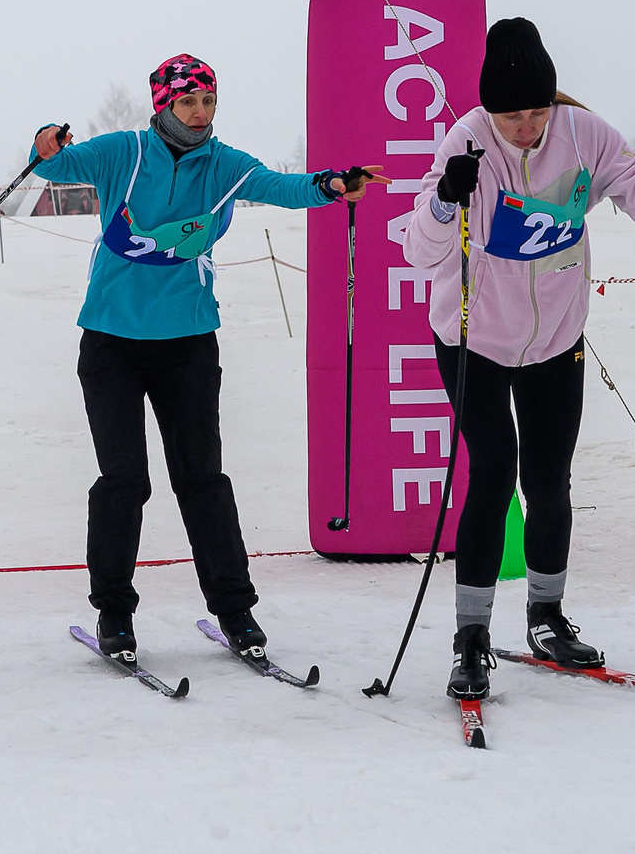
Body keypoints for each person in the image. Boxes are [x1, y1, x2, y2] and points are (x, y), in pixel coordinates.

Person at [28, 54, 381, 664]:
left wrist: (330, 184)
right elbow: (56, 166)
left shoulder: (225, 166)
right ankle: (114, 612)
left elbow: (283, 186)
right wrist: (45, 144)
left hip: (188, 344)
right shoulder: (124, 152)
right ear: (164, 103)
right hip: (111, 342)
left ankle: (234, 610)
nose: (200, 113)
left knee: (202, 479)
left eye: (208, 102)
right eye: (188, 102)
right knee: (124, 481)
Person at [400, 17, 635, 701]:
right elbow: (418, 252)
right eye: (511, 115)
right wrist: (447, 197)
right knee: (493, 474)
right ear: (488, 109)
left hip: (554, 340)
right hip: (472, 339)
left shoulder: (583, 135)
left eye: (537, 110)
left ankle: (546, 617)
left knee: (549, 478)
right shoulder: (467, 141)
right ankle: (471, 638)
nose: (525, 126)